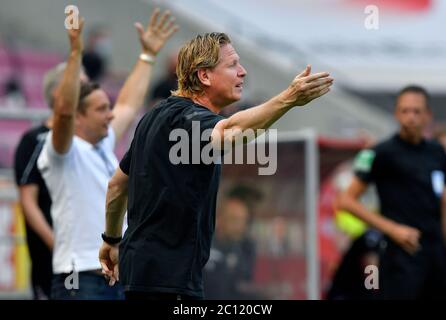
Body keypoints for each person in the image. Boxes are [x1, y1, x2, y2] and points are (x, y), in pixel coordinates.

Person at [99, 31, 333, 300]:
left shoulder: (155, 117)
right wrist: (288, 98)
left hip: (144, 275)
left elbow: (117, 185)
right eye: (232, 65)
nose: (242, 72)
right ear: (204, 76)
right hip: (169, 281)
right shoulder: (188, 120)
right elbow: (230, 130)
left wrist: (111, 239)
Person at [37, 8, 178, 299]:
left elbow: (127, 104)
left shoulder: (102, 144)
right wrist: (76, 52)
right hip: (79, 278)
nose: (110, 116)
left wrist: (147, 56)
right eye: (101, 109)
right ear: (78, 117)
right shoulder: (60, 151)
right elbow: (62, 110)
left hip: (114, 272)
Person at [338, 85, 446, 299]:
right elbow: (346, 201)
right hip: (400, 255)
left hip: (435, 252)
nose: (410, 117)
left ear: (427, 116)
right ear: (396, 114)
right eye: (405, 111)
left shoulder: (437, 151)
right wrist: (393, 229)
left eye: (416, 111)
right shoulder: (379, 153)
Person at [13, 63, 67, 299]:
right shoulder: (34, 139)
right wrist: (55, 243)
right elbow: (28, 200)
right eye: (79, 82)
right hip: (51, 254)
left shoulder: (92, 140)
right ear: (58, 93)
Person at [203, 197, 258, 299]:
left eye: (243, 220)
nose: (240, 225)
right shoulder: (203, 246)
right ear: (219, 219)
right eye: (234, 219)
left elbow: (243, 284)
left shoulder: (244, 250)